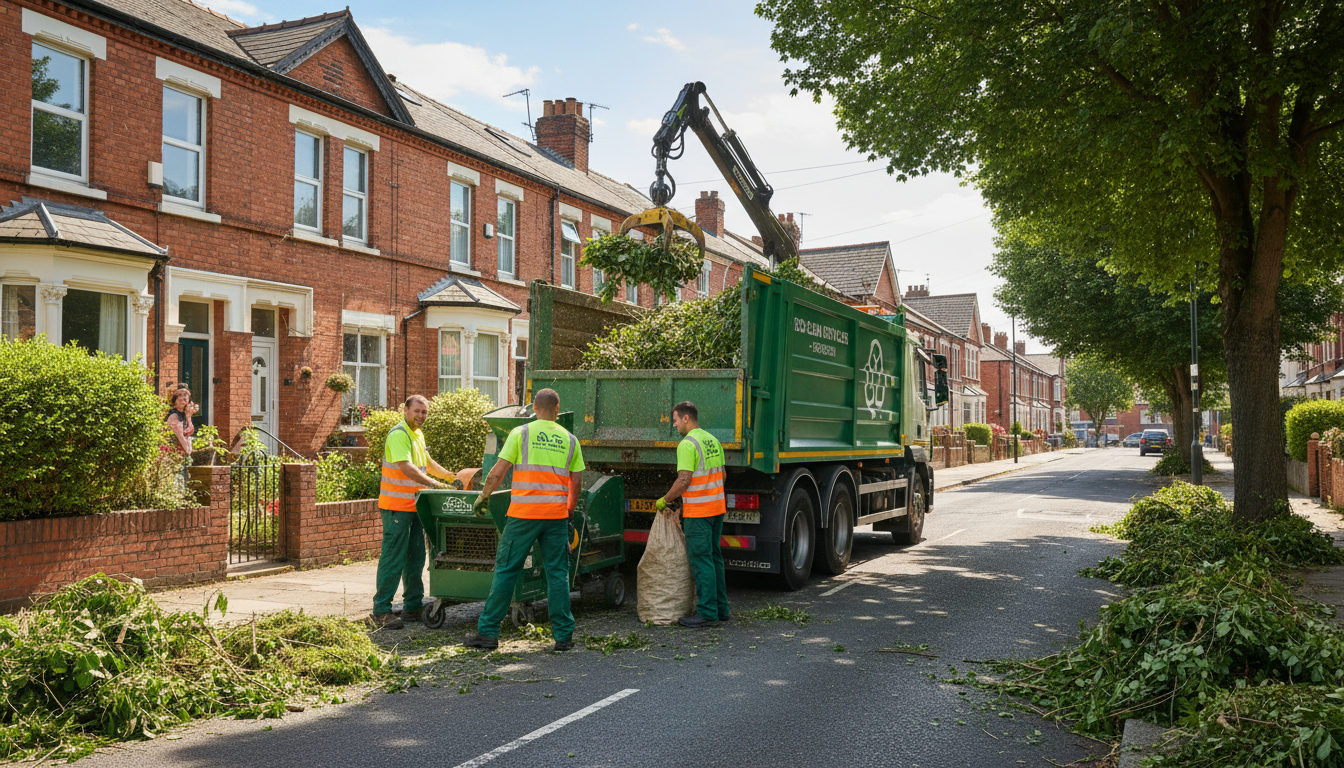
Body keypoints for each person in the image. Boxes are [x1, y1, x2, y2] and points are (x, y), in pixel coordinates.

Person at [464, 389, 584, 652]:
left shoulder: (521, 433)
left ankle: (488, 634)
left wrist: (484, 497)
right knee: (558, 574)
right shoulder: (570, 439)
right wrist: (569, 510)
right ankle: (563, 637)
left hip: (523, 516)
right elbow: (576, 481)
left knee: (506, 571)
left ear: (533, 407)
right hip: (554, 517)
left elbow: (497, 472)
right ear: (557, 408)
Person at [370, 395, 455, 629]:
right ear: (405, 410)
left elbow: (425, 462)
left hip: (415, 507)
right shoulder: (399, 435)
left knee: (415, 559)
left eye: (424, 412)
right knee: (393, 558)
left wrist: (450, 477)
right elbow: (407, 469)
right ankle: (381, 610)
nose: (420, 416)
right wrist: (436, 485)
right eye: (417, 411)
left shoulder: (417, 434)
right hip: (396, 508)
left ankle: (413, 606)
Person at [656, 400, 729, 628]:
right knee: (715, 558)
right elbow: (723, 476)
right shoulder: (713, 440)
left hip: (699, 512)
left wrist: (665, 500)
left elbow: (684, 479)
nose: (675, 426)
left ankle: (707, 613)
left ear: (686, 418)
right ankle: (721, 609)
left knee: (701, 560)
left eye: (676, 420)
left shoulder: (687, 444)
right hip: (717, 509)